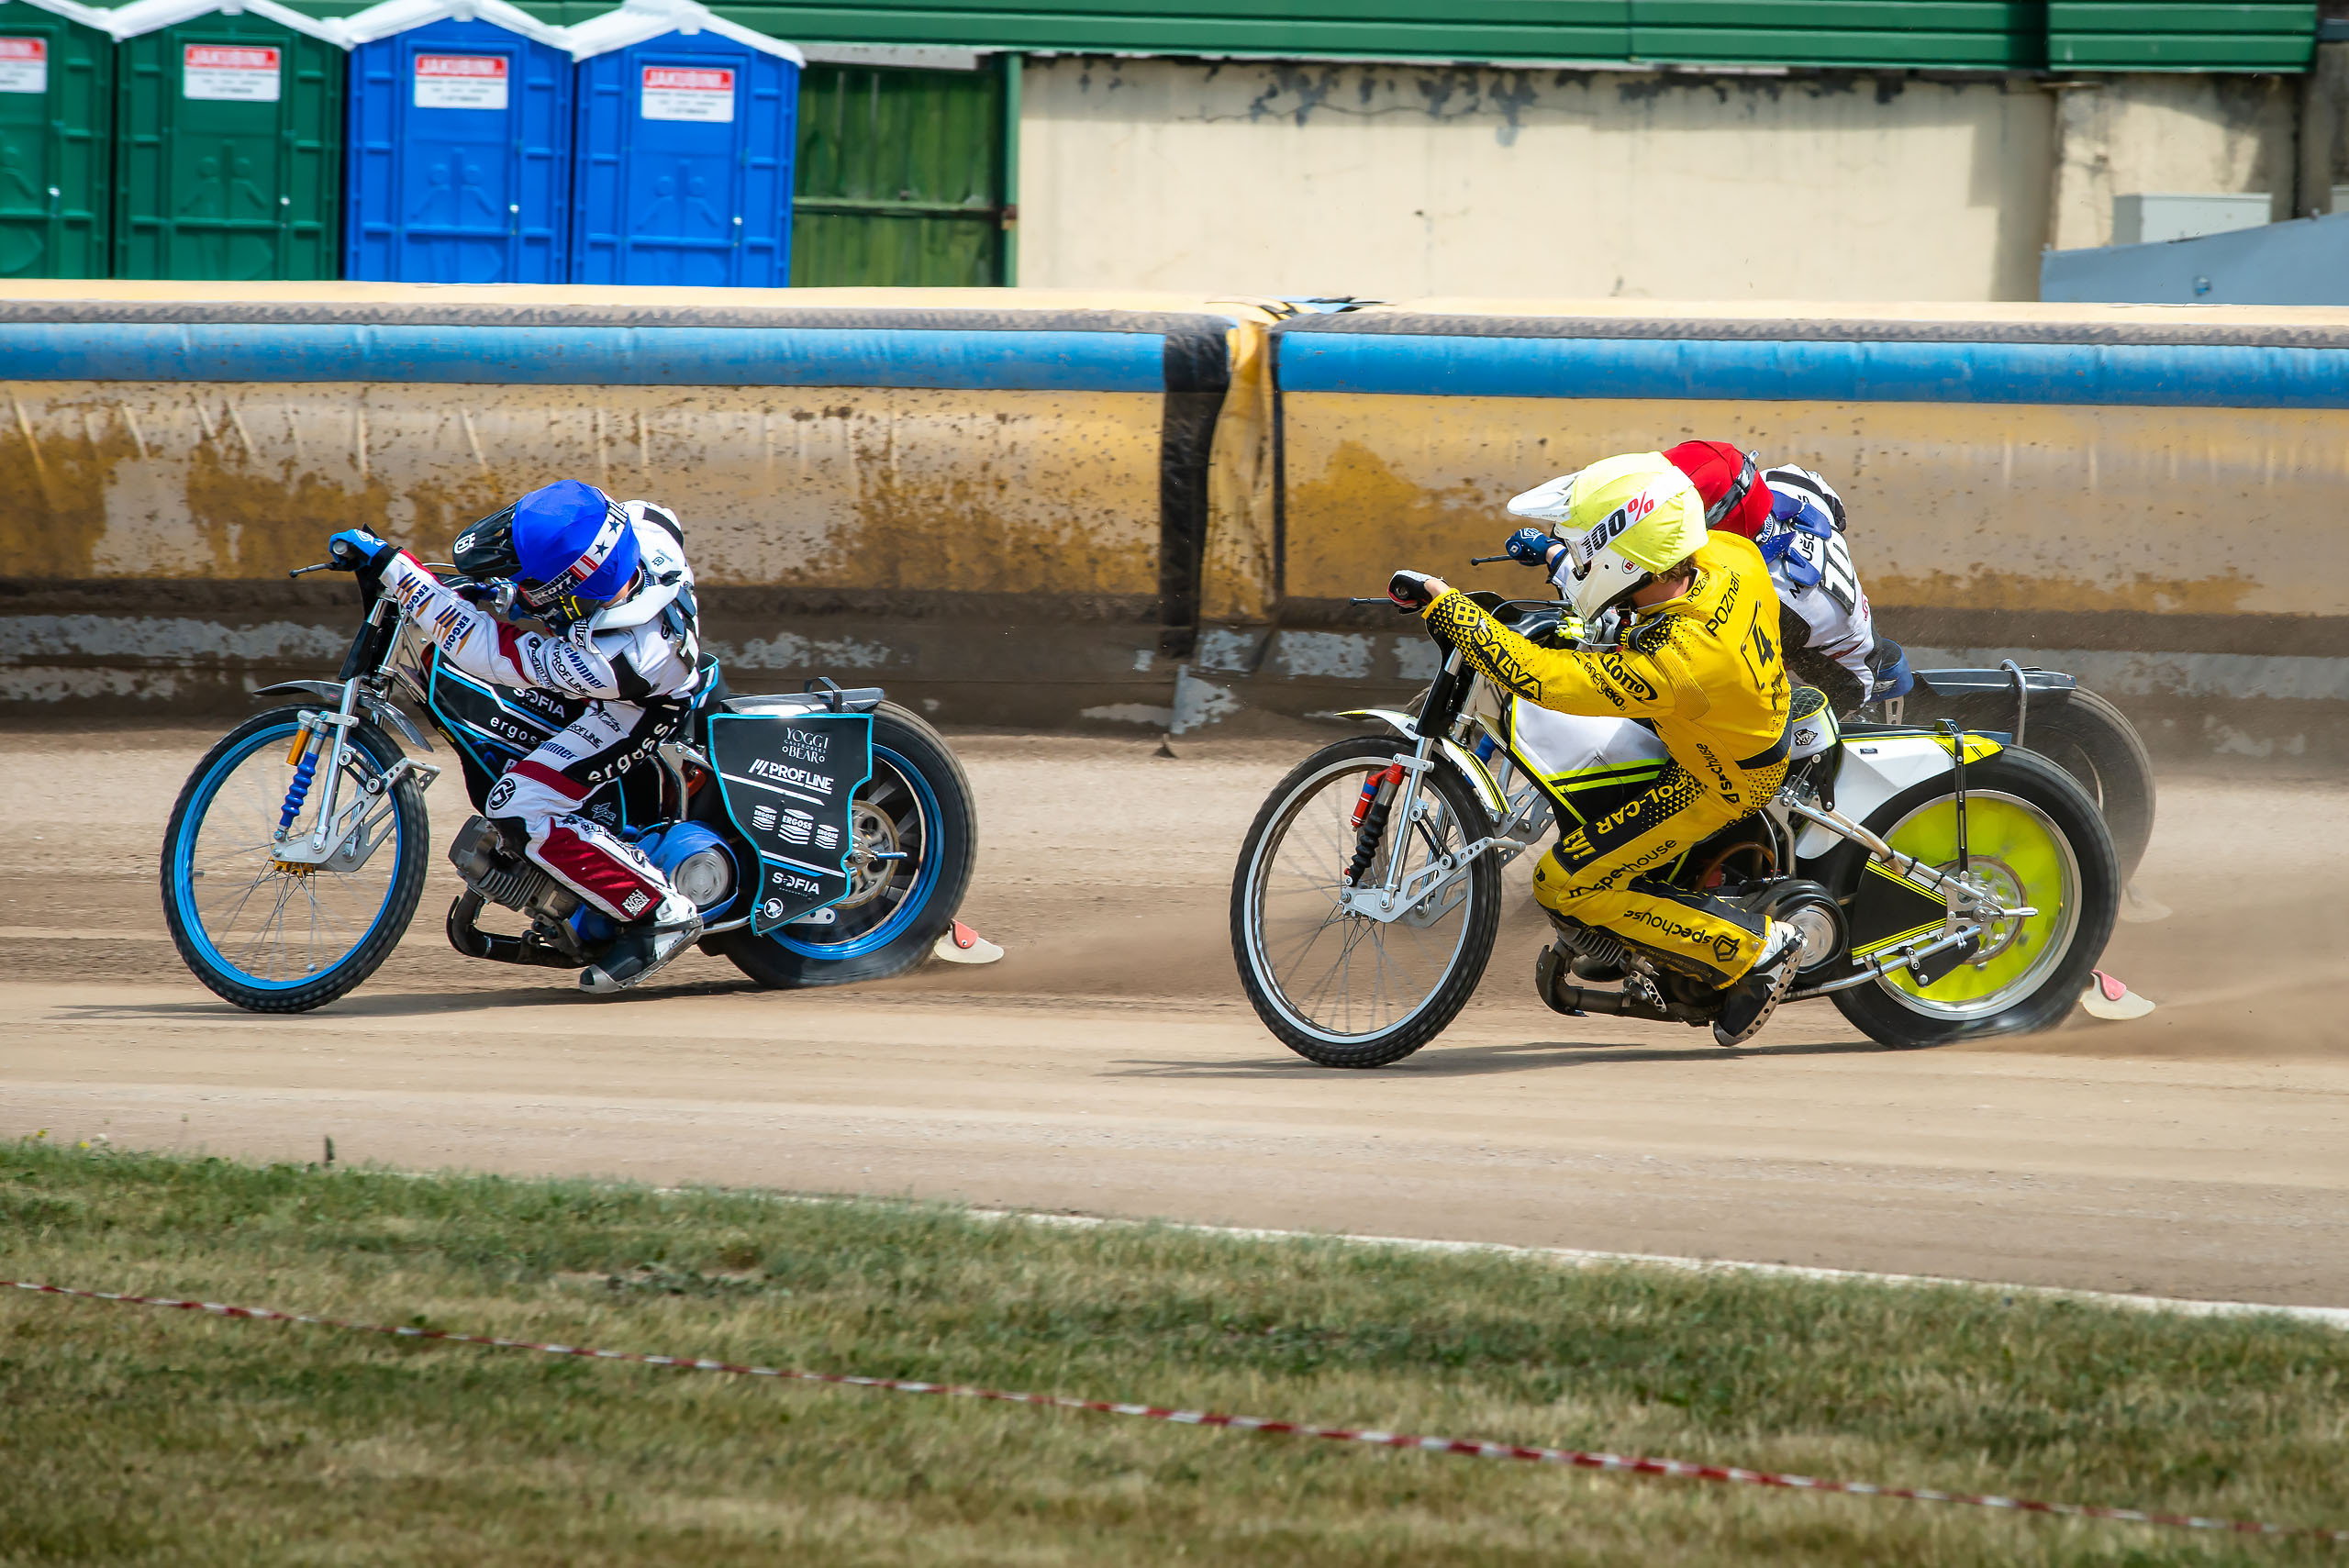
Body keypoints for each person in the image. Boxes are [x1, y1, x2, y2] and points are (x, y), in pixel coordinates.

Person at [1393, 451, 1803, 1048]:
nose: (1583, 562)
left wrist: (1449, 608)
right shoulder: (1724, 556)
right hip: (1734, 716)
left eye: (1588, 553)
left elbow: (1546, 680)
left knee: (1563, 882)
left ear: (1626, 556)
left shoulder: (1678, 663)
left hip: (1718, 778)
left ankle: (1752, 950)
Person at [325, 480, 707, 995]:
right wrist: (506, 588)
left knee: (517, 805)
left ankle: (662, 912)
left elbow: (488, 650)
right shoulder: (643, 528)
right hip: (605, 646)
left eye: (533, 580)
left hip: (633, 708)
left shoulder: (616, 656)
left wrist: (400, 573)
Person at [1661, 440, 1910, 716]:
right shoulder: (1789, 480)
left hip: (1837, 688)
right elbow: (1836, 512)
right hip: (1834, 627)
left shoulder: (1761, 590)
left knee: (1697, 707)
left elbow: (1704, 652)